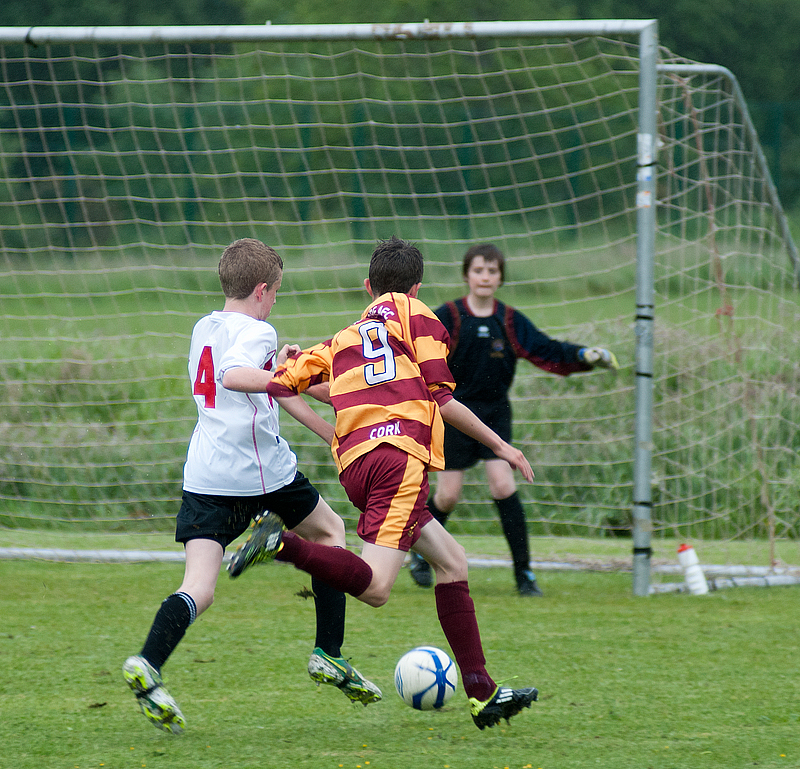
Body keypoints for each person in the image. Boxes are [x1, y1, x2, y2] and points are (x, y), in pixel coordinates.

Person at [229, 236, 539, 730]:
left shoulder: (343, 339)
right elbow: (441, 398)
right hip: (401, 458)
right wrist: (501, 445)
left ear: (368, 287)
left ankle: (482, 692)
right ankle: (281, 543)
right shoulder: (421, 319)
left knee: (453, 562)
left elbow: (282, 385)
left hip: (357, 466)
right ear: (416, 288)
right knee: (375, 588)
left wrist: (284, 361)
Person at [122, 238, 380, 735]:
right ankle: (329, 652)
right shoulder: (259, 329)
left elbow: (273, 386)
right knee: (330, 532)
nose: (276, 301)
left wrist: (329, 428)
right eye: (277, 291)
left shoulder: (205, 326)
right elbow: (237, 375)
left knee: (199, 587)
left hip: (204, 474)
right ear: (262, 290)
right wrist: (272, 368)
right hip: (259, 473)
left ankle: (148, 666)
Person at [408, 243, 619, 596]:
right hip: (453, 412)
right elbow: (416, 349)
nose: (485, 277)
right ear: (466, 276)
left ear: (500, 277)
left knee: (503, 485)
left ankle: (525, 575)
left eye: (492, 271)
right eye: (478, 270)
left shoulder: (508, 320)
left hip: (495, 414)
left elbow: (545, 348)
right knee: (448, 497)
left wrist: (584, 356)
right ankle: (420, 555)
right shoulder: (449, 317)